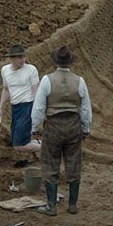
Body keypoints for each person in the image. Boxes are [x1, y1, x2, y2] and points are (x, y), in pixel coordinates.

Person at [31, 45, 92, 216]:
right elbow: (86, 108)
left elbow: (39, 108)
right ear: (70, 63)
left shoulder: (47, 80)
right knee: (74, 163)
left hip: (54, 126)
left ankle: (51, 206)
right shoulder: (79, 81)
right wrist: (85, 128)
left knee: (50, 164)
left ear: (55, 62)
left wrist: (34, 127)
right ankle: (72, 205)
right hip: (73, 125)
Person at [0, 44, 41, 167]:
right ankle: (40, 147)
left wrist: (36, 110)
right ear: (11, 58)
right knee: (18, 139)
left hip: (28, 106)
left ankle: (48, 147)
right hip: (15, 108)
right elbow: (6, 90)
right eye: (19, 58)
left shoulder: (31, 70)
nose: (22, 60)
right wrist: (0, 107)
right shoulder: (5, 70)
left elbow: (36, 90)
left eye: (23, 57)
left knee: (18, 145)